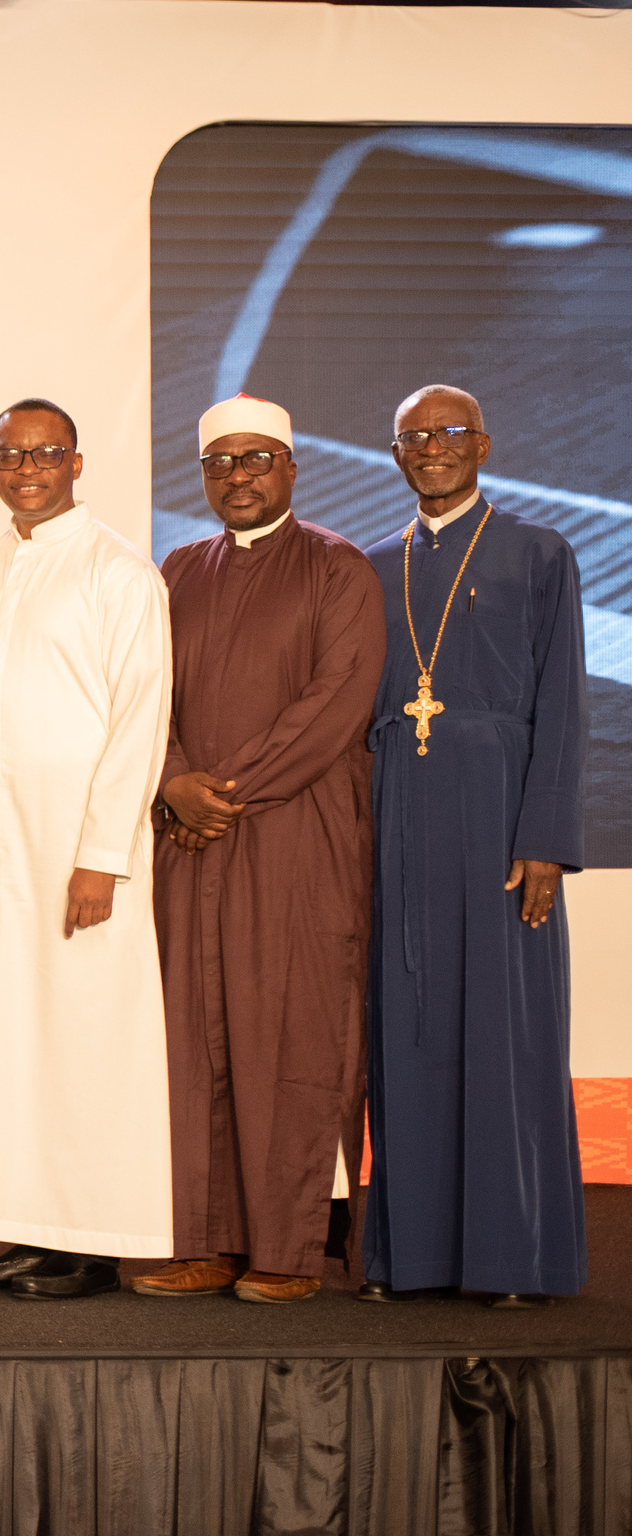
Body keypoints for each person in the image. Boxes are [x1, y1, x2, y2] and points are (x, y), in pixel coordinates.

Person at [130, 396, 386, 1307]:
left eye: (256, 459)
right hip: (189, 841)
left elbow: (335, 702)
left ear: (291, 467)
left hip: (293, 837)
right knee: (193, 1037)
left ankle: (286, 1248)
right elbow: (144, 693)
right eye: (219, 462)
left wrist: (220, 792)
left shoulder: (337, 566)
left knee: (288, 1031)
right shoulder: (178, 570)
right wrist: (170, 778)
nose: (236, 476)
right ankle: (204, 1242)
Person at [0, 399, 173, 1302]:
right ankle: (26, 1229)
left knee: (83, 1036)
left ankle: (91, 1243)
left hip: (76, 849)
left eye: (45, 452)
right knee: (8, 1038)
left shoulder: (119, 570)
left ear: (76, 461)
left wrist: (103, 853)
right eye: (9, 454)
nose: (26, 468)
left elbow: (141, 717)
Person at [360, 384, 588, 1309]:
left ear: (483, 444)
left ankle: (510, 1258)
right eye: (415, 436)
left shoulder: (540, 551)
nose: (433, 446)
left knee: (505, 1038)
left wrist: (546, 838)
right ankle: (406, 1257)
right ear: (396, 453)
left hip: (500, 821)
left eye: (450, 431)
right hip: (401, 813)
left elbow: (564, 705)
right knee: (406, 1025)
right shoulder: (372, 566)